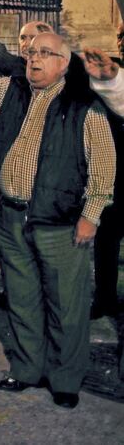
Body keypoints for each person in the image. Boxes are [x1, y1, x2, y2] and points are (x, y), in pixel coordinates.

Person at [0, 31, 116, 409]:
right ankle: (27, 369)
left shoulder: (84, 105)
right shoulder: (13, 92)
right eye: (31, 53)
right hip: (11, 217)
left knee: (66, 305)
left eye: (45, 53)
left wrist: (91, 216)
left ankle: (65, 379)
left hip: (60, 223)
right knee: (23, 299)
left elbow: (104, 164)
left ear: (64, 63)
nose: (34, 59)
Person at [84, 41, 124, 319]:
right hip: (113, 177)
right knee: (106, 242)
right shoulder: (106, 68)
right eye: (120, 36)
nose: (122, 42)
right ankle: (105, 298)